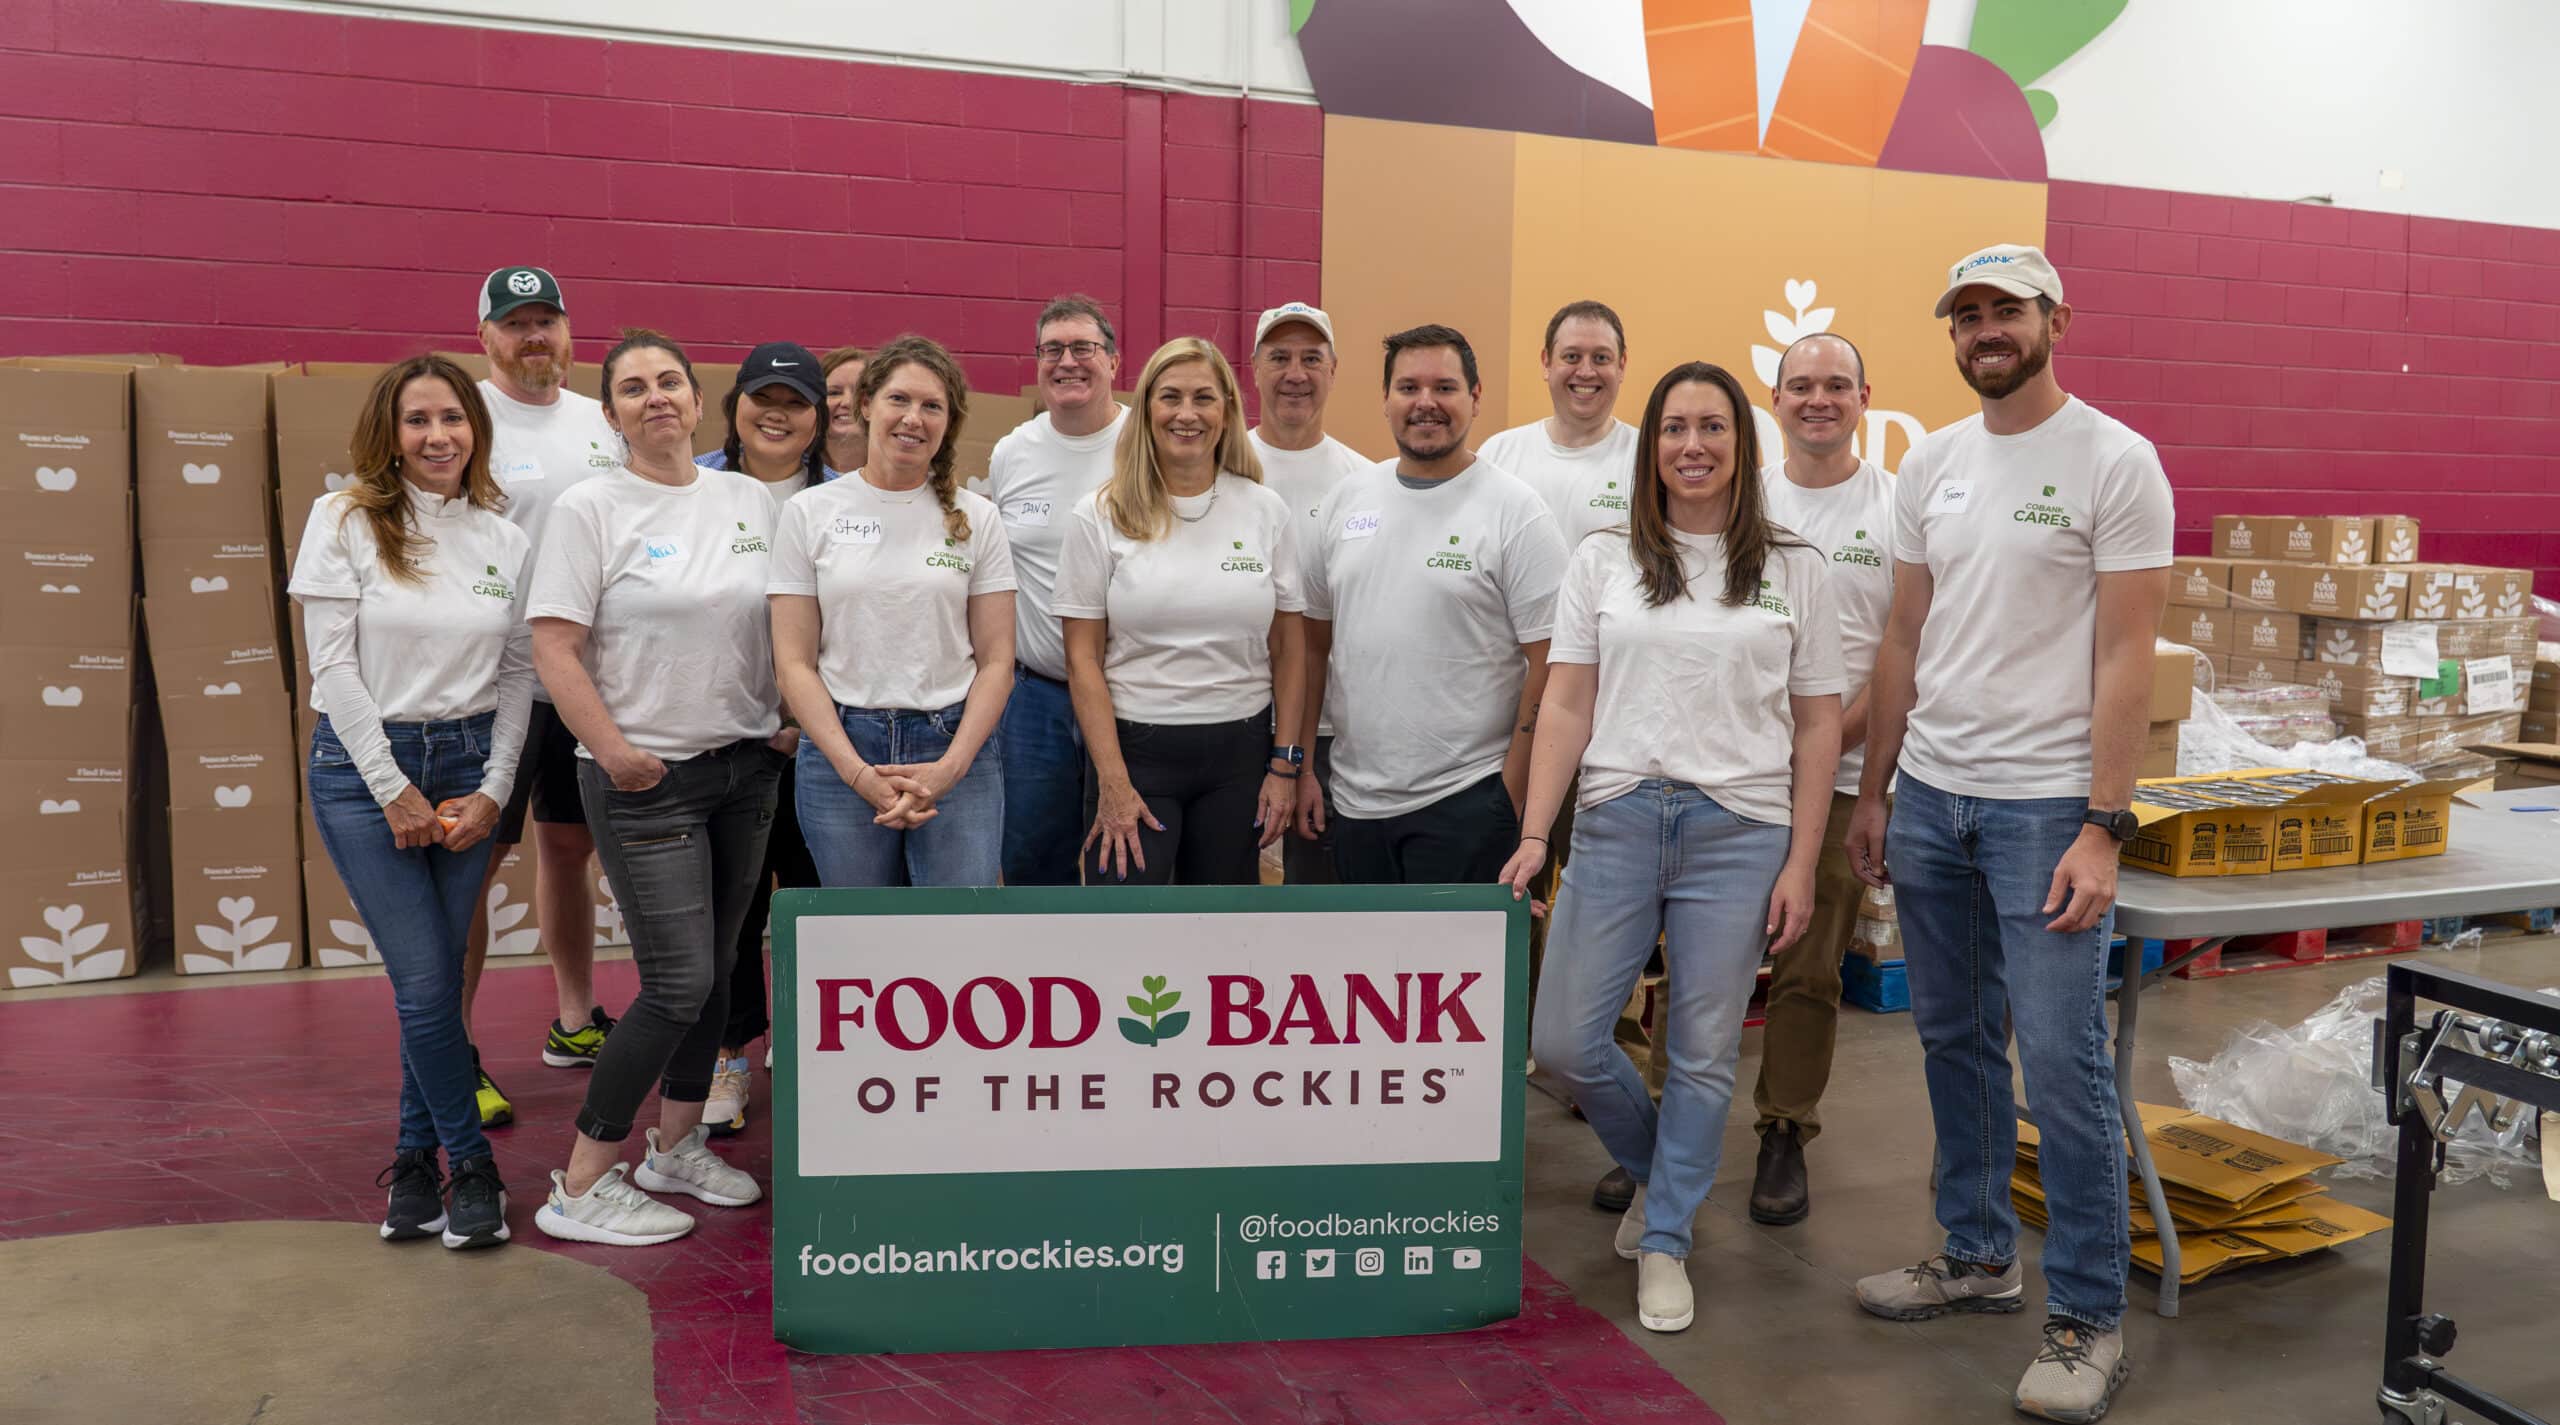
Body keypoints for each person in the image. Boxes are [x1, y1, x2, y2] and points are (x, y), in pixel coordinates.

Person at [1845, 245, 2171, 1424]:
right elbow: (1901, 638)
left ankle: (2088, 1318)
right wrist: (1877, 792)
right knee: (1953, 1040)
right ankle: (1980, 1255)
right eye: (1966, 314)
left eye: (2006, 311)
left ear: (2054, 321)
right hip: (1933, 798)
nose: (1985, 329)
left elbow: (2127, 652)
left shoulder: (2115, 461)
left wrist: (2102, 823)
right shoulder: (1929, 462)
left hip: (2046, 813)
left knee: (2065, 1065)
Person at [1506, 360, 1842, 1335]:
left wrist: (1798, 862)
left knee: (1698, 1054)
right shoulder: (1603, 556)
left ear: (1741, 444)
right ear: (1649, 447)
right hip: (1616, 815)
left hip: (1741, 831)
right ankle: (1669, 1179)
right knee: (1563, 1041)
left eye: (1712, 427)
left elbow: (1817, 725)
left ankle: (1666, 1241)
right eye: (1673, 428)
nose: (1691, 446)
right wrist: (1537, 830)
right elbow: (1564, 701)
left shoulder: (1796, 568)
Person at [526, 330, 787, 1247]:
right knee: (676, 983)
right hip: (647, 781)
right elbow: (553, 646)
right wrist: (617, 752)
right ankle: (583, 1181)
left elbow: (782, 624)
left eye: (669, 380)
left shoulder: (749, 498)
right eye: (633, 388)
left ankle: (674, 1147)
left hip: (745, 769)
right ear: (611, 415)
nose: (656, 397)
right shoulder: (590, 507)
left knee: (718, 970)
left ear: (695, 394)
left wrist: (784, 714)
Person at [289, 354, 533, 1250]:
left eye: (454, 419)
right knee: (427, 982)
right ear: (389, 433)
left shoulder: (504, 537)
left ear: (477, 428)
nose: (438, 437)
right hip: (364, 769)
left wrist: (497, 788)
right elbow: (333, 667)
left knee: (431, 980)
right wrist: (394, 790)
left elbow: (516, 673)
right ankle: (469, 1165)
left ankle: (411, 1163)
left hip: (471, 765)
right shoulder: (344, 518)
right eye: (418, 420)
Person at [1298, 325, 1567, 884]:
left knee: (1465, 974)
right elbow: (1312, 646)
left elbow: (1552, 663)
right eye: (1408, 388)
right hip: (1354, 804)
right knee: (1367, 970)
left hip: (1468, 800)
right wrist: (1300, 766)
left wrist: (1510, 794)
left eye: (1444, 387)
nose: (1425, 403)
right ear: (1385, 399)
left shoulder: (1515, 511)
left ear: (1475, 396)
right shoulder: (1346, 501)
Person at [1056, 337, 1305, 885]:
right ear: (1146, 410)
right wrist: (1114, 783)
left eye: (1204, 398)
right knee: (1121, 928)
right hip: (1135, 754)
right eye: (1170, 397)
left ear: (1228, 411)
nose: (1186, 414)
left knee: (1221, 935)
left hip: (1240, 756)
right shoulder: (1100, 514)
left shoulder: (1265, 511)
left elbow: (1289, 649)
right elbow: (1081, 661)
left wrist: (1285, 765)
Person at [773, 335, 1017, 888]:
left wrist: (949, 769)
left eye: (932, 406)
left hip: (956, 745)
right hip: (841, 748)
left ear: (949, 422)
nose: (914, 418)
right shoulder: (809, 513)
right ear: (866, 405)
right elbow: (794, 664)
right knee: (858, 944)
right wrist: (857, 774)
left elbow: (998, 661)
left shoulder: (979, 518)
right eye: (899, 400)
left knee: (957, 937)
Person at [1747, 331, 1894, 1227]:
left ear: (1865, 396)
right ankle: (1656, 1132)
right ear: (1775, 400)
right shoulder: (1739, 504)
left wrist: (1819, 740)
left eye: (1836, 384)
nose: (1818, 400)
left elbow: (1901, 652)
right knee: (1701, 961)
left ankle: (1782, 1128)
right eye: (1800, 385)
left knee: (1809, 965)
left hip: (1837, 776)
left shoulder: (1896, 507)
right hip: (1733, 774)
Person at [469, 266, 620, 1131]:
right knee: (474, 864)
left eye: (547, 322)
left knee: (570, 847)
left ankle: (573, 1020)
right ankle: (454, 1054)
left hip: (585, 677)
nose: (534, 338)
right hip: (493, 682)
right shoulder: (464, 420)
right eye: (515, 323)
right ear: (486, 334)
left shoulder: (603, 421)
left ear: (569, 333)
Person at [691, 342, 829, 1135]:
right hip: (724, 739)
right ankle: (726, 1059)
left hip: (821, 742)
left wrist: (803, 717)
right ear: (735, 402)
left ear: (817, 418)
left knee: (816, 898)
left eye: (796, 401)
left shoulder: (849, 497)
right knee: (732, 912)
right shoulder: (695, 487)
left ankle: (817, 1049)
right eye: (761, 396)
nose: (776, 413)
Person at [983, 295, 1127, 885]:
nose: (1068, 361)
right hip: (1034, 699)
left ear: (1114, 362)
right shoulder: (1012, 454)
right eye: (1052, 350)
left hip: (1129, 692)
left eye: (1084, 348)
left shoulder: (1148, 444)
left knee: (1127, 860)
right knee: (1031, 864)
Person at [1245, 302, 1369, 886]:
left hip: (1325, 734)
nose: (1296, 373)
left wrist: (1304, 761)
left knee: (1315, 900)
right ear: (1254, 368)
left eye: (1311, 359)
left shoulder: (1364, 481)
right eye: (1280, 357)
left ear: (1334, 370)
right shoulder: (1224, 468)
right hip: (1232, 719)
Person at [1475, 300, 1637, 550]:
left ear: (1622, 365)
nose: (1585, 371)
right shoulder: (1497, 454)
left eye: (1601, 358)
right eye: (1572, 357)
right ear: (1547, 362)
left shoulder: (1647, 458)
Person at [820, 345, 866, 480]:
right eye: (834, 393)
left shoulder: (898, 474)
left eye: (859, 392)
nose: (847, 402)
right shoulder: (795, 472)